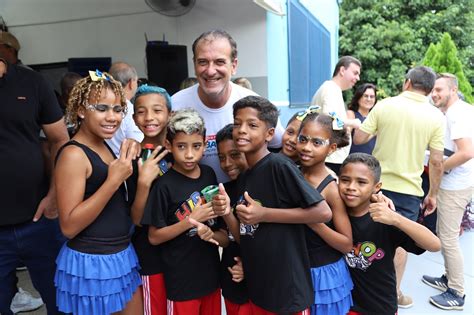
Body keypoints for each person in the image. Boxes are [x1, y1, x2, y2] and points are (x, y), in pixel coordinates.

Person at [223, 95, 332, 314]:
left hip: (286, 291)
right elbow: (246, 231)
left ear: (269, 134)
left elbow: (323, 212)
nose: (242, 130)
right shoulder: (245, 176)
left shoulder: (278, 166)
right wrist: (227, 211)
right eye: (237, 124)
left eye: (252, 125)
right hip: (260, 286)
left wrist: (264, 214)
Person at [353, 65, 445, 308]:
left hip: (374, 185)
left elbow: (359, 138)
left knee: (363, 236)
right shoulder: (436, 116)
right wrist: (433, 193)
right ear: (429, 89)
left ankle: (359, 287)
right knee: (400, 242)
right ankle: (393, 292)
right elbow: (436, 161)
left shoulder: (384, 105)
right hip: (408, 190)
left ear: (407, 82)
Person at [54, 71, 143, 314]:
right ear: (82, 110)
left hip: (121, 254)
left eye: (117, 109)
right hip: (92, 262)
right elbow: (69, 226)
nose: (112, 117)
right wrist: (113, 181)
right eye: (102, 108)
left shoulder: (105, 144)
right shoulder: (73, 154)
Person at [0, 57, 69, 315]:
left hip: (40, 221)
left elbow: (60, 140)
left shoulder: (31, 82)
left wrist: (54, 195)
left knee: (62, 303)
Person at [143, 108, 228, 315]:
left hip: (210, 276)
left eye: (196, 146)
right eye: (181, 146)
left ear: (204, 145)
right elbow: (154, 237)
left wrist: (212, 234)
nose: (190, 154)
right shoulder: (163, 185)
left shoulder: (208, 174)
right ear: (168, 145)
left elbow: (222, 235)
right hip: (181, 282)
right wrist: (190, 220)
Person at [172, 29, 284, 183]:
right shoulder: (175, 105)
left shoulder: (253, 105)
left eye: (219, 62)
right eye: (203, 62)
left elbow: (282, 146)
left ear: (234, 65)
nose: (210, 71)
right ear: (194, 64)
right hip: (195, 203)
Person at [339, 153, 441, 315]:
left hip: (378, 307)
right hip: (342, 304)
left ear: (377, 187)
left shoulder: (384, 218)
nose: (351, 186)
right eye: (345, 180)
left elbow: (434, 244)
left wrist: (396, 219)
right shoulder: (334, 210)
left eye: (361, 182)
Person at [422, 73, 474, 310]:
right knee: (446, 235)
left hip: (456, 185)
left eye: (440, 90)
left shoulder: (457, 114)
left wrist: (439, 168)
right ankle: (448, 278)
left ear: (453, 90)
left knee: (448, 239)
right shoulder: (457, 111)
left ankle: (457, 292)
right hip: (454, 183)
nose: (435, 94)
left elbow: (466, 152)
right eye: (433, 90)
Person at [297, 112, 354, 315]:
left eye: (317, 142)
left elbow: (346, 243)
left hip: (323, 277)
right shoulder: (292, 172)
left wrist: (313, 222)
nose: (306, 147)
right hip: (296, 269)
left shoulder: (331, 189)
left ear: (331, 148)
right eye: (302, 139)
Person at [131, 84, 172, 315]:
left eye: (157, 110)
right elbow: (136, 219)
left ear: (169, 114)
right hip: (148, 251)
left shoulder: (182, 154)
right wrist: (144, 182)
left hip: (181, 249)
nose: (149, 117)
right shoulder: (132, 157)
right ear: (134, 117)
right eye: (141, 111)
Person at [215, 124, 251, 315]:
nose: (227, 163)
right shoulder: (224, 191)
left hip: (261, 285)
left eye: (234, 155)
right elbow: (225, 236)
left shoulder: (264, 186)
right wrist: (209, 234)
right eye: (222, 158)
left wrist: (251, 264)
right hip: (232, 280)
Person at [310, 55, 362, 174]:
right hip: (330, 157)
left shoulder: (331, 89)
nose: (357, 78)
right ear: (342, 70)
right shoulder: (331, 89)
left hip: (331, 155)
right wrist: (353, 123)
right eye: (355, 73)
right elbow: (329, 119)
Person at [107, 61, 144, 156]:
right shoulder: (130, 109)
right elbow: (137, 145)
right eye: (137, 81)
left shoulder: (104, 105)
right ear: (131, 82)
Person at [347, 83, 377, 154]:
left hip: (371, 160)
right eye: (365, 96)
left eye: (372, 97)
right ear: (358, 97)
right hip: (353, 159)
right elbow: (346, 136)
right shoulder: (351, 114)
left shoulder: (375, 117)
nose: (369, 99)